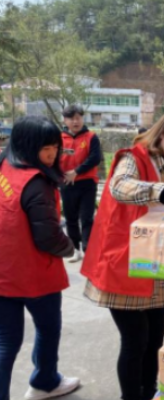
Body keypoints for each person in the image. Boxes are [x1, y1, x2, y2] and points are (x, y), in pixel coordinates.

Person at [81, 108, 164, 400]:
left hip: (155, 265)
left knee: (155, 338)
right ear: (163, 132)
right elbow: (119, 187)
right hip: (124, 264)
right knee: (135, 341)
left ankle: (148, 392)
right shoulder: (132, 158)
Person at [0, 116, 80, 400]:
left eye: (55, 147)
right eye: (45, 148)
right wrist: (71, 247)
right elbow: (48, 237)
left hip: (4, 272)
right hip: (35, 275)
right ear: (27, 144)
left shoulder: (4, 165)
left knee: (6, 342)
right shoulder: (36, 182)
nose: (51, 154)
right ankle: (45, 382)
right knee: (47, 329)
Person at [60, 105, 102, 262]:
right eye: (71, 118)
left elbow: (95, 158)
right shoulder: (59, 138)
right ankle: (75, 249)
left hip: (87, 184)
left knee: (86, 217)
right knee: (70, 218)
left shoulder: (91, 137)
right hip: (66, 183)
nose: (75, 121)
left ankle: (87, 249)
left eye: (78, 117)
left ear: (83, 118)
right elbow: (53, 158)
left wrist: (75, 172)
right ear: (65, 120)